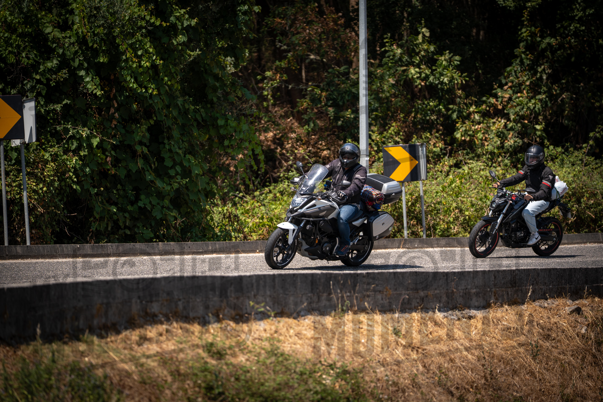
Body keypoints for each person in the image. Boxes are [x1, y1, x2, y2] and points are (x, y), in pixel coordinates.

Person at [494, 145, 555, 246]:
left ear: (540, 158)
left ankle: (535, 234)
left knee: (527, 212)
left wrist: (533, 197)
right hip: (528, 196)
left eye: (533, 158)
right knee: (510, 206)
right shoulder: (527, 168)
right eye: (529, 157)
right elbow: (516, 178)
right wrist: (501, 183)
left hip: (542, 199)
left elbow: (544, 191)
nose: (530, 160)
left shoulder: (547, 172)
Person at [324, 143, 367, 256]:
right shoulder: (336, 164)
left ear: (356, 157)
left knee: (342, 218)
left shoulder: (360, 170)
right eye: (344, 156)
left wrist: (345, 193)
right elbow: (322, 171)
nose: (346, 159)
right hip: (333, 199)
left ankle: (345, 243)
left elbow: (357, 185)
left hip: (350, 203)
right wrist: (305, 177)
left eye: (350, 157)